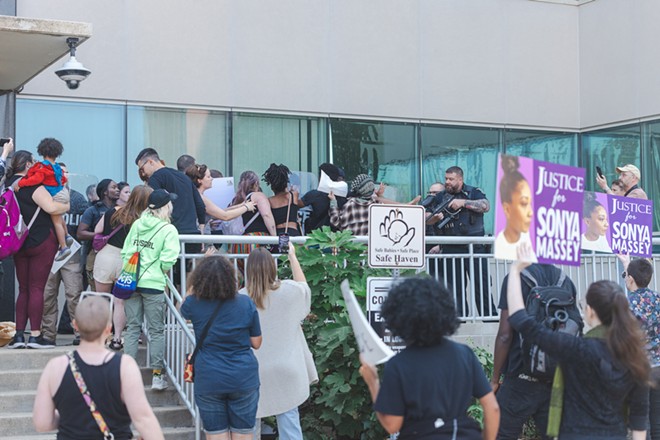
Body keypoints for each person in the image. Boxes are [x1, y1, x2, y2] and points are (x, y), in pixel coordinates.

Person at [507, 244, 649, 439]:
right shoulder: (635, 359)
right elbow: (639, 421)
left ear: (590, 311)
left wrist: (515, 270)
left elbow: (520, 320)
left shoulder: (575, 349)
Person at [359, 277, 499, 439]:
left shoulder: (399, 364)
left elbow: (392, 424)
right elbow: (492, 408)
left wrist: (373, 382)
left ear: (398, 318)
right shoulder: (464, 354)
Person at [33, 293, 165, 439]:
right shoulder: (125, 366)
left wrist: (68, 415)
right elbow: (143, 419)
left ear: (75, 326)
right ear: (108, 329)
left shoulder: (56, 367)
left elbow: (42, 423)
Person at [491, 264, 578, 439]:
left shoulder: (515, 279)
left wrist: (495, 379)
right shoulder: (565, 280)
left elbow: (505, 335)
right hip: (554, 377)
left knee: (500, 433)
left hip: (520, 375)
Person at [180, 254, 262, 440]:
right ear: (230, 277)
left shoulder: (195, 303)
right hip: (243, 376)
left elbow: (184, 307)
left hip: (209, 376)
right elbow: (256, 342)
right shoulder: (245, 302)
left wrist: (196, 277)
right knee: (243, 432)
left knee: (216, 434)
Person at [241, 246, 317, 439]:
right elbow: (305, 290)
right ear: (272, 268)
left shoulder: (240, 298)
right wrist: (292, 255)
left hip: (251, 372)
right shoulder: (289, 291)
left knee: (248, 427)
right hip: (286, 370)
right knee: (290, 425)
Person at [5, 150, 70, 349]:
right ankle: (34, 336)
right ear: (26, 165)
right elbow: (51, 208)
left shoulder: (7, 185)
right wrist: (65, 205)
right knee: (36, 289)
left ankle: (17, 336)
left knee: (23, 289)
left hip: (18, 242)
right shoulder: (33, 184)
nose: (35, 166)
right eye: (32, 163)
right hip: (41, 240)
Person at [122, 189, 180, 390]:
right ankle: (157, 376)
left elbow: (126, 251)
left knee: (132, 328)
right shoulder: (168, 230)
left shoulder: (137, 224)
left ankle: (127, 374)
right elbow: (168, 259)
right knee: (156, 330)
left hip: (132, 281)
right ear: (166, 207)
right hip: (153, 283)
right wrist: (161, 272)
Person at [427, 166, 493, 317]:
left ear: (460, 180)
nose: (447, 182)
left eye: (451, 179)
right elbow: (427, 217)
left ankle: (489, 318)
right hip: (451, 248)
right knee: (455, 288)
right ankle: (461, 319)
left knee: (482, 286)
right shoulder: (440, 197)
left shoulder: (473, 192)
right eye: (446, 179)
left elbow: (485, 205)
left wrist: (463, 203)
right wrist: (433, 219)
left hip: (475, 249)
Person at [94, 185, 153, 351]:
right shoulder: (144, 219)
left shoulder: (113, 211)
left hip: (106, 257)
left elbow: (98, 230)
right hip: (128, 261)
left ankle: (101, 337)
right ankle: (118, 338)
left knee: (103, 300)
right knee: (120, 302)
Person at [135, 148, 206, 282]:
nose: (143, 172)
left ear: (150, 162)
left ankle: (169, 303)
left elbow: (152, 205)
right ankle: (182, 302)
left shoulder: (156, 178)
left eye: (142, 168)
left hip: (171, 235)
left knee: (167, 278)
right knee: (186, 280)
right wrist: (201, 232)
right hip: (191, 235)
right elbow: (200, 205)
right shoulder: (184, 177)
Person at [41, 163, 89, 347]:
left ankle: (79, 332)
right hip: (48, 251)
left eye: (65, 172)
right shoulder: (43, 196)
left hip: (71, 252)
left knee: (74, 293)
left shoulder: (77, 198)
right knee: (47, 294)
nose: (62, 175)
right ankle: (48, 334)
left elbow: (87, 221)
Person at [620, 255, 660, 439]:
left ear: (630, 279)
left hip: (639, 369)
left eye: (626, 275)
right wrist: (627, 265)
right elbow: (636, 284)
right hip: (658, 367)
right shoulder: (657, 299)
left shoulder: (626, 304)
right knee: (656, 418)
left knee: (641, 421)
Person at [17, 138, 73, 261]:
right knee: (59, 217)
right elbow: (63, 180)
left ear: (42, 151)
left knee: (56, 221)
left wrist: (22, 183)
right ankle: (67, 235)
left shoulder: (42, 167)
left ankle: (64, 247)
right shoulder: (57, 167)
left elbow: (36, 179)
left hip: (53, 194)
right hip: (61, 192)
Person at [77, 179, 119, 292]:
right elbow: (80, 233)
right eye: (114, 187)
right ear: (105, 192)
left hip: (117, 255)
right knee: (98, 293)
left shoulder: (121, 210)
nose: (117, 190)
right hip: (96, 254)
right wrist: (102, 236)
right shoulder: (92, 210)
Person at [494, 155, 537, 262]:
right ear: (507, 209)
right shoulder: (501, 245)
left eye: (531, 203)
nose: (531, 212)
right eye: (523, 203)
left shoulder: (531, 242)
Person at [184, 163, 255, 225]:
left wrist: (240, 206)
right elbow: (225, 216)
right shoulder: (201, 198)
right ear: (199, 180)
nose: (212, 179)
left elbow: (219, 212)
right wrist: (246, 207)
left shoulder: (196, 195)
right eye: (208, 177)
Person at [227, 170, 276, 256]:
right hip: (256, 242)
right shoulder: (258, 196)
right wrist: (274, 239)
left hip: (237, 245)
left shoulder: (234, 201)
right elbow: (266, 215)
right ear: (256, 183)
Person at [297, 163, 348, 233]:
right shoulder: (344, 197)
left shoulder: (314, 195)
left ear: (321, 177)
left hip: (316, 236)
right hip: (336, 238)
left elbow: (297, 204)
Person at [263, 163, 301, 237]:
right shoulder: (293, 195)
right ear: (286, 182)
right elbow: (288, 192)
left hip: (278, 234)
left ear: (272, 187)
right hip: (293, 232)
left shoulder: (269, 201)